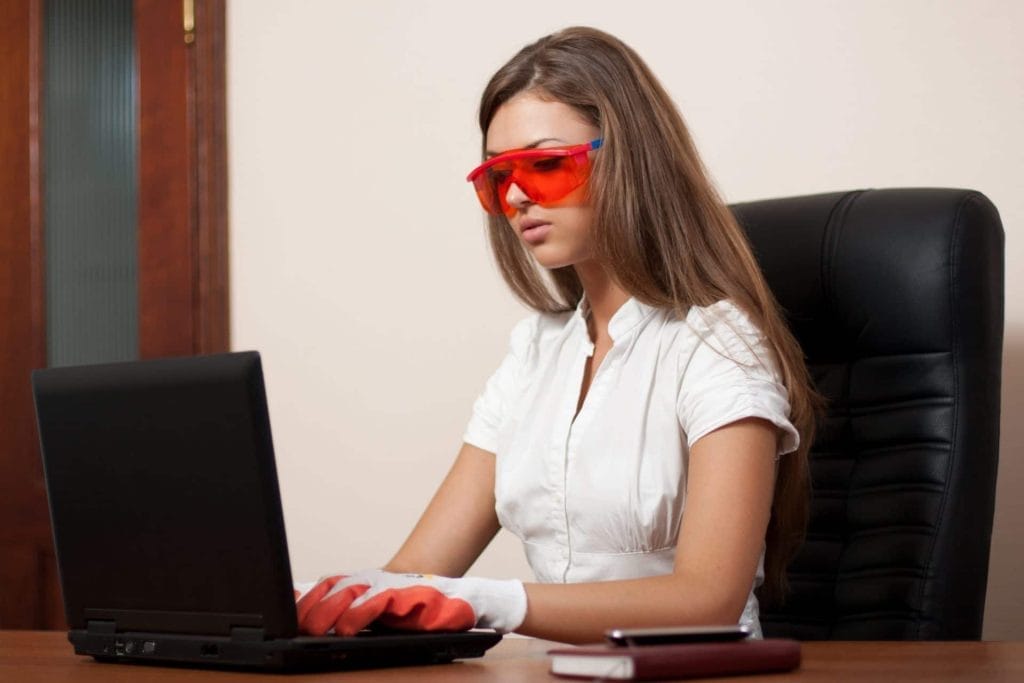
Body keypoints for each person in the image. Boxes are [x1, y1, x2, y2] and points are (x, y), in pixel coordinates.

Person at [295, 26, 820, 645]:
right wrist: (336, 596)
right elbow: (419, 574)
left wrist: (486, 602)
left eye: (545, 165)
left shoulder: (717, 343)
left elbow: (708, 597)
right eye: (497, 176)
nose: (516, 195)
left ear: (628, 158)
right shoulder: (535, 354)